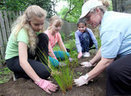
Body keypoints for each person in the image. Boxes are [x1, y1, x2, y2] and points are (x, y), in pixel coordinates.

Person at [74, 0, 131, 96]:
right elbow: (105, 47)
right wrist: (91, 62)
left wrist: (86, 77)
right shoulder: (108, 18)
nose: (87, 22)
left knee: (114, 70)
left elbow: (107, 61)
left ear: (97, 10)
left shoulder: (109, 25)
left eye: (88, 18)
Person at [5, 5, 57, 94]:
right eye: (36, 24)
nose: (40, 27)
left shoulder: (33, 29)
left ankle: (42, 70)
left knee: (43, 37)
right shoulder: (22, 33)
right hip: (14, 60)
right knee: (45, 72)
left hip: (25, 54)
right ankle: (18, 74)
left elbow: (44, 49)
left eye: (42, 23)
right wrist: (39, 81)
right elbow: (23, 61)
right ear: (28, 22)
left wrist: (47, 66)